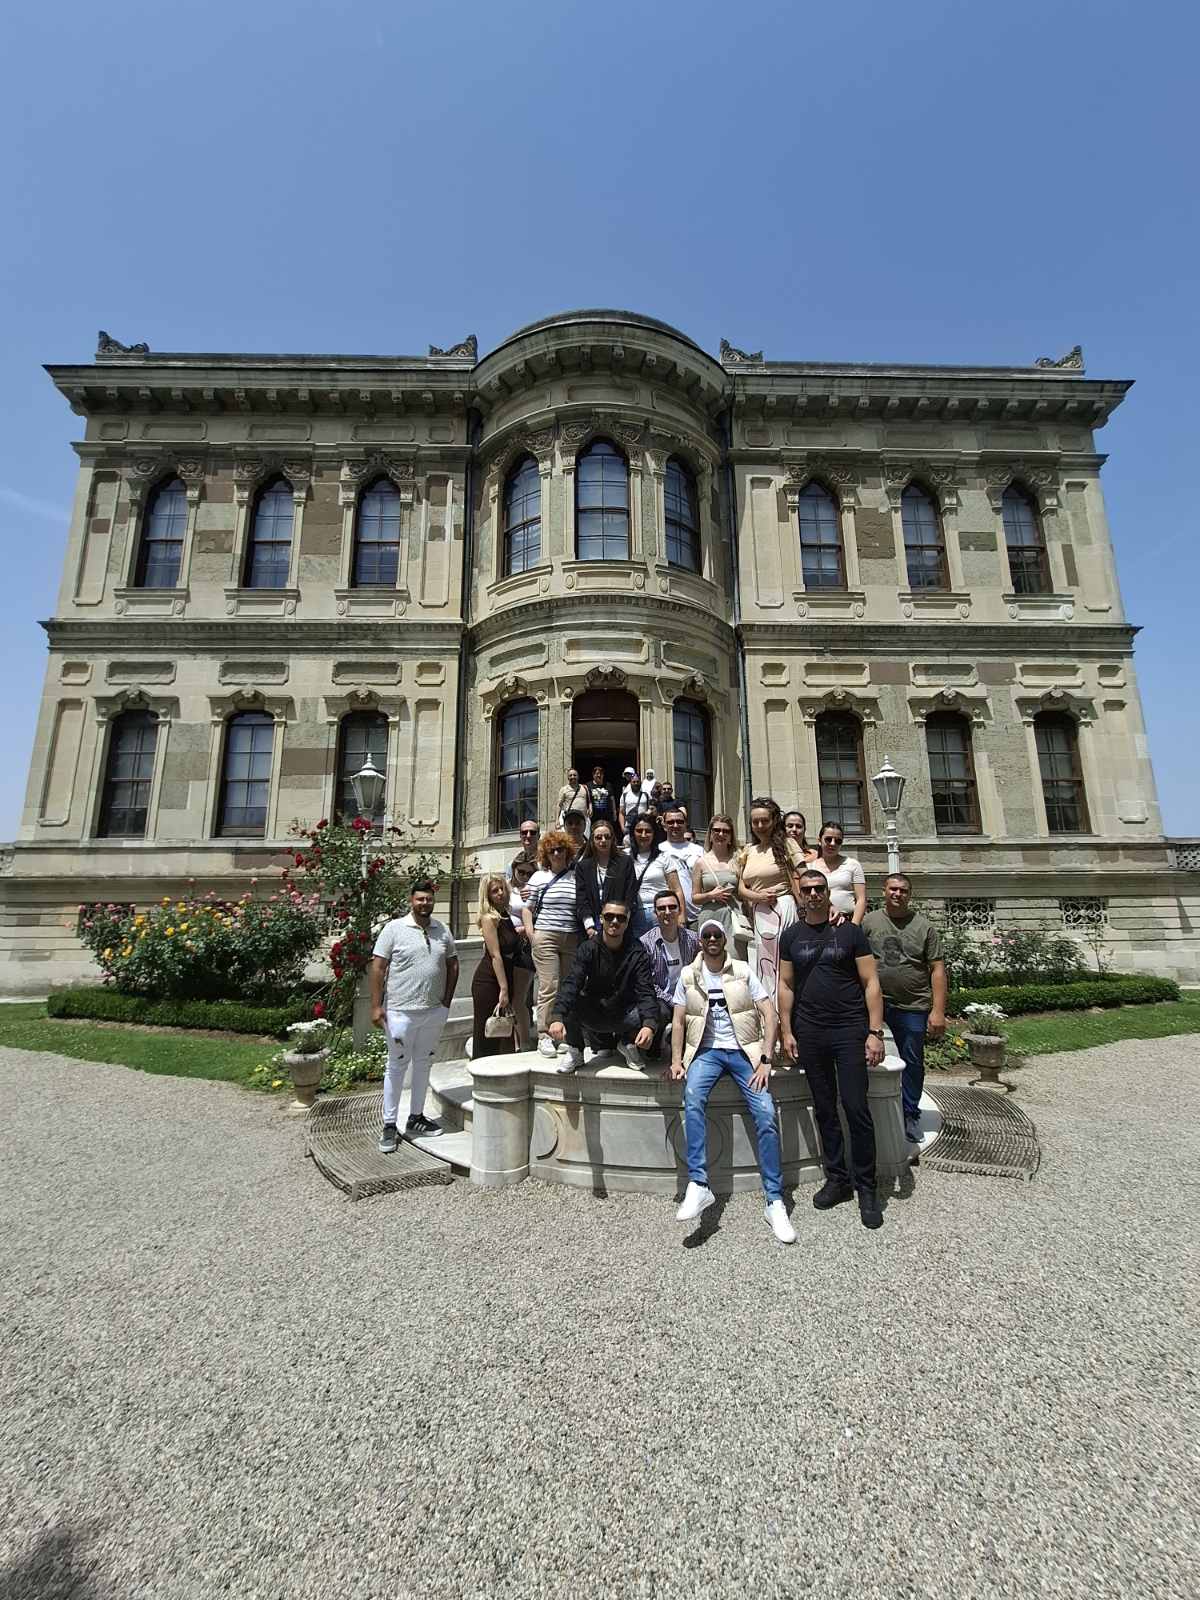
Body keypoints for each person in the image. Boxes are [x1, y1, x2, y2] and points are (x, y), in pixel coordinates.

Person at [669, 920, 794, 1244]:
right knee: (692, 1098)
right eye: (706, 935)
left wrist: (766, 1058)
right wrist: (677, 1061)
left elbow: (769, 1014)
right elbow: (679, 1021)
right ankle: (699, 1184)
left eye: (717, 935)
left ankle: (775, 1200)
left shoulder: (743, 970)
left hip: (744, 1052)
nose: (712, 939)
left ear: (724, 939)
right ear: (700, 941)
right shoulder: (688, 975)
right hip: (707, 1053)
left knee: (766, 1113)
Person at [778, 870, 885, 1229]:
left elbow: (870, 982)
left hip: (849, 1030)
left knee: (856, 1108)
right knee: (824, 1109)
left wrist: (875, 1032)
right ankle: (838, 1179)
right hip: (811, 1032)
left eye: (818, 889)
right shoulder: (791, 936)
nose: (813, 894)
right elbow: (785, 985)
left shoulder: (850, 932)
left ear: (827, 893)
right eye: (807, 889)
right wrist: (787, 1030)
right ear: (800, 894)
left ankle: (867, 1187)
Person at [371, 880, 459, 1151]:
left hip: (433, 1011)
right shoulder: (394, 929)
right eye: (420, 899)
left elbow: (453, 964)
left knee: (424, 1063)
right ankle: (389, 1124)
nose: (425, 903)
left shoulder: (442, 930)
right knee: (397, 1065)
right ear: (411, 900)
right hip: (400, 1012)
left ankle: (416, 1117)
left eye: (429, 899)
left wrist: (446, 1002)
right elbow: (378, 967)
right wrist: (376, 1006)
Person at [862, 873, 947, 1145]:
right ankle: (868, 1109)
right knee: (861, 1055)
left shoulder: (924, 927)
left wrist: (938, 1011)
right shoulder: (869, 922)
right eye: (893, 889)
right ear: (883, 891)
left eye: (903, 890)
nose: (897, 894)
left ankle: (909, 1112)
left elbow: (937, 969)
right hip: (874, 1003)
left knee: (912, 1061)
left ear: (910, 895)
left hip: (912, 1004)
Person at [550, 900, 659, 1072]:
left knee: (657, 1009)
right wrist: (557, 1017)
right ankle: (576, 1050)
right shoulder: (588, 948)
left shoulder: (637, 951)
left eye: (620, 918)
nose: (614, 921)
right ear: (601, 919)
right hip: (595, 1014)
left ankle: (628, 1043)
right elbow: (572, 982)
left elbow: (645, 989)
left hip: (625, 1015)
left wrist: (649, 1025)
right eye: (609, 917)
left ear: (627, 923)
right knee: (571, 1001)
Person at [736, 796, 805, 1014]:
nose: (759, 826)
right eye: (755, 821)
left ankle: (788, 1015)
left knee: (783, 964)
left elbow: (805, 874)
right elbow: (741, 887)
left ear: (774, 820)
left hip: (782, 907)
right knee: (764, 965)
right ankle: (769, 1017)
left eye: (764, 821)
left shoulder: (787, 844)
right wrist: (756, 897)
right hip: (760, 912)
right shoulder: (748, 850)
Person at [523, 831, 579, 1058]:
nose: (556, 853)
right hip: (546, 936)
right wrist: (531, 934)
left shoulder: (576, 877)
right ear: (546, 854)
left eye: (560, 849)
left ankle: (561, 1032)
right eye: (552, 850)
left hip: (571, 937)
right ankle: (544, 1034)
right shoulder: (538, 877)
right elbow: (527, 908)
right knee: (549, 986)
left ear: (567, 851)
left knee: (567, 987)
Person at [640, 887, 700, 1057]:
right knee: (660, 1011)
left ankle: (675, 1037)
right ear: (655, 913)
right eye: (662, 908)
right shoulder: (645, 943)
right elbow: (648, 982)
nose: (667, 912)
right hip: (661, 998)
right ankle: (655, 1043)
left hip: (688, 995)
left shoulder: (693, 939)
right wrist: (674, 1002)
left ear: (680, 910)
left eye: (672, 907)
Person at [471, 875, 519, 1059]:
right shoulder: (489, 918)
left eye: (502, 889)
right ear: (487, 895)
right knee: (488, 1033)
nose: (500, 893)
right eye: (494, 891)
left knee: (505, 1031)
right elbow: (495, 955)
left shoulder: (505, 915)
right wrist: (504, 989)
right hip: (489, 981)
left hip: (505, 977)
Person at [574, 819, 637, 939]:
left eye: (607, 837)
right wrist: (589, 926)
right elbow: (581, 898)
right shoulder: (583, 866)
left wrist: (623, 920)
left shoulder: (625, 862)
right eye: (598, 837)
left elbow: (630, 894)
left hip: (619, 923)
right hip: (592, 926)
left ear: (612, 838)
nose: (603, 841)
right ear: (592, 840)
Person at [692, 814, 743, 948]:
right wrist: (711, 895)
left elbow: (744, 891)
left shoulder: (739, 860)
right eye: (716, 830)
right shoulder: (700, 863)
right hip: (710, 918)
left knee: (736, 957)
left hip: (734, 918)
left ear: (731, 836)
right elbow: (695, 898)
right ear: (710, 834)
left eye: (726, 831)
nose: (721, 834)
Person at [629, 814, 681, 938]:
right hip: (633, 914)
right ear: (633, 833)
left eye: (648, 831)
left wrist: (681, 918)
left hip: (661, 913)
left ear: (654, 834)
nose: (643, 835)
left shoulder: (664, 857)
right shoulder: (625, 857)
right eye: (639, 831)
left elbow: (676, 889)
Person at [658, 805, 705, 926]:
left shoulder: (699, 850)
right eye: (670, 822)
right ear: (664, 825)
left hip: (698, 915)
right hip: (669, 916)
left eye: (679, 821)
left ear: (685, 824)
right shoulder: (658, 850)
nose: (675, 825)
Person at [813, 821, 867, 924]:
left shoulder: (853, 864)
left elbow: (861, 899)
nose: (833, 843)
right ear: (819, 841)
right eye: (828, 839)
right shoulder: (811, 867)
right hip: (819, 922)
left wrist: (854, 926)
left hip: (847, 920)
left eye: (838, 841)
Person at [506, 862, 535, 1048]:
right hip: (507, 946)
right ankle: (513, 1042)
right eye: (521, 872)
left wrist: (525, 929)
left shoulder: (535, 889)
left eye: (529, 873)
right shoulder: (505, 889)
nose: (524, 876)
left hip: (525, 947)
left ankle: (524, 1042)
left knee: (519, 999)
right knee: (508, 997)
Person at [618, 766, 648, 843]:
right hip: (629, 826)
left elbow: (651, 809)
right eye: (634, 782)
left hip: (643, 826)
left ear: (640, 782)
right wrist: (622, 828)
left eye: (637, 782)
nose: (636, 783)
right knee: (628, 845)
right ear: (630, 782)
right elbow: (621, 813)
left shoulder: (646, 794)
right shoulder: (624, 795)